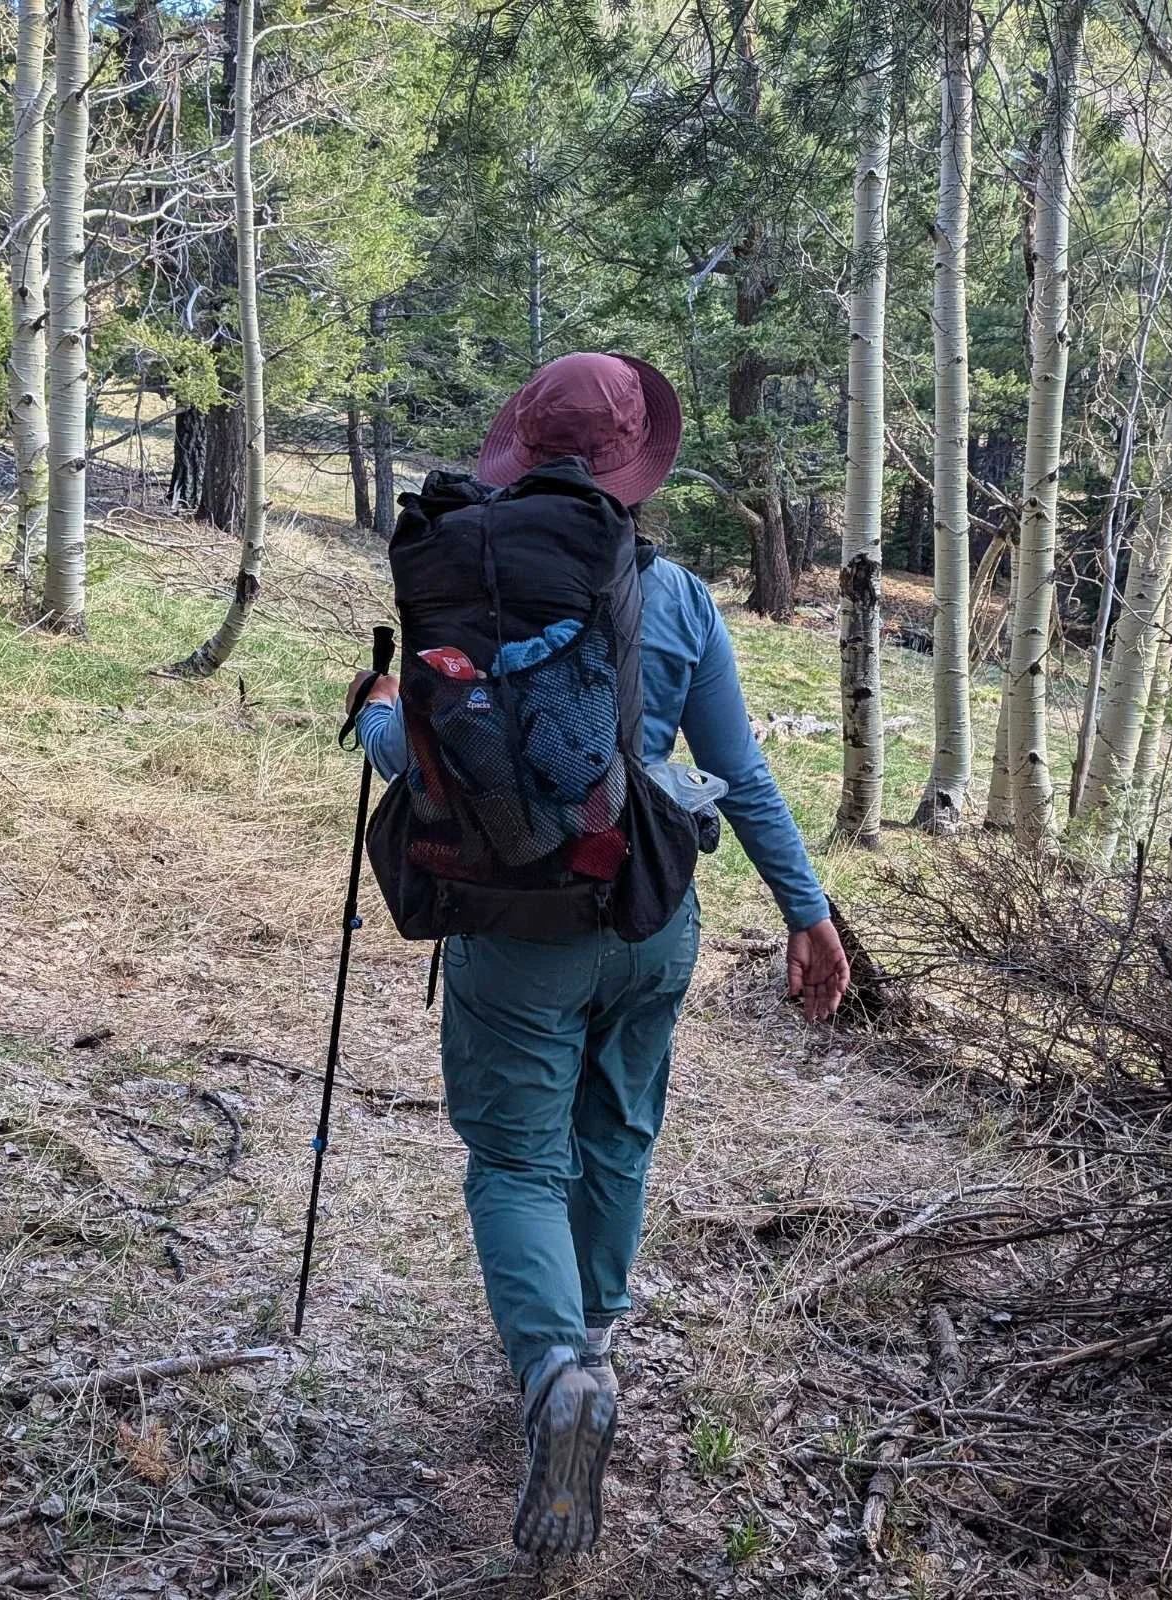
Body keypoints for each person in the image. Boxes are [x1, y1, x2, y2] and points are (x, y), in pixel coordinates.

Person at [352, 352, 850, 1559]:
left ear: (519, 445)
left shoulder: (462, 577)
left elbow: (420, 755)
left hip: (512, 930)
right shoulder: (676, 596)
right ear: (634, 466)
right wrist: (809, 910)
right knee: (616, 1128)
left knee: (518, 1159)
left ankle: (558, 1376)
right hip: (646, 916)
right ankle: (600, 1335)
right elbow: (742, 771)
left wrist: (372, 705)